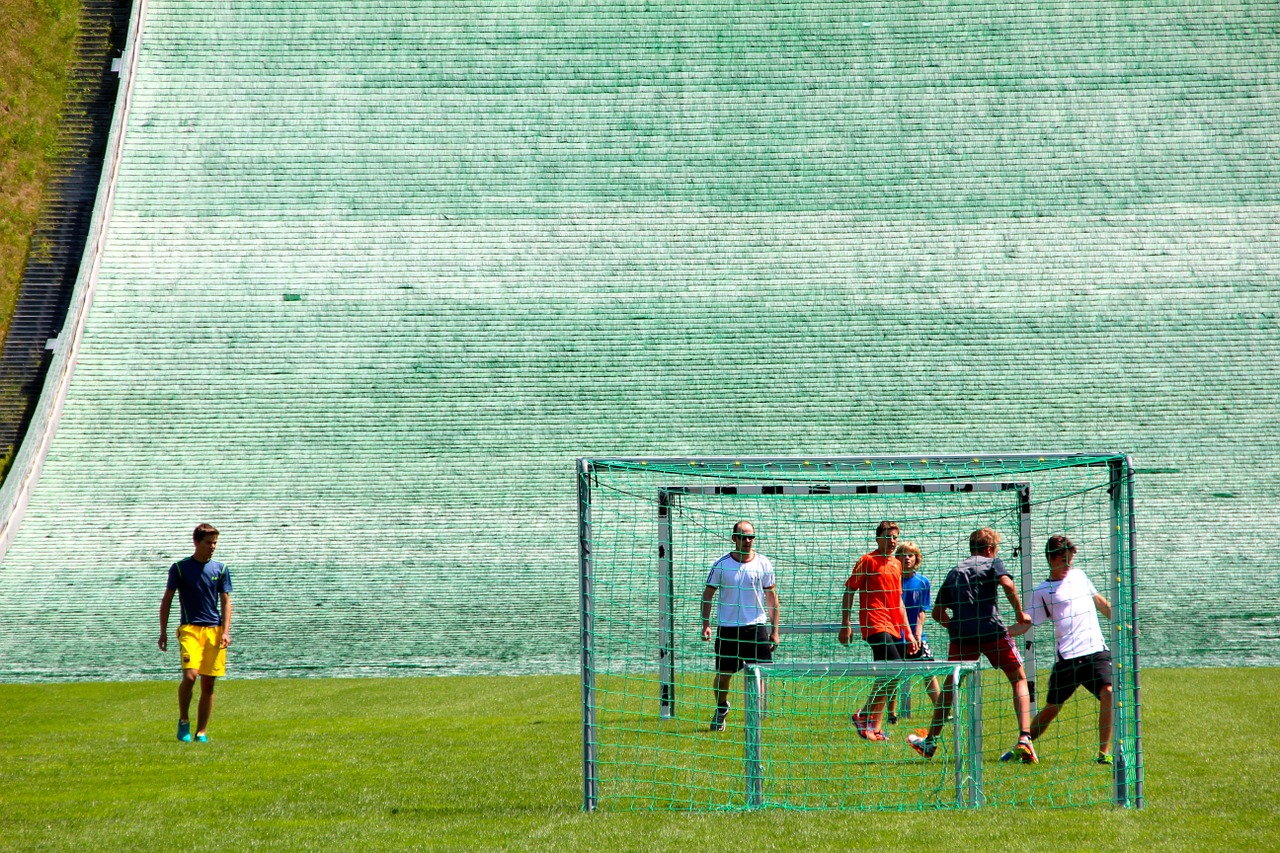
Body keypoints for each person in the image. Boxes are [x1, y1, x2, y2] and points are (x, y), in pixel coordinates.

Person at [907, 527, 1034, 762]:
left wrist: (954, 627)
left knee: (950, 687)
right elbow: (1007, 585)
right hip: (991, 630)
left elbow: (937, 613)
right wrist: (1020, 614)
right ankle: (1025, 738)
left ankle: (931, 742)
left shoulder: (955, 571)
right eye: (995, 549)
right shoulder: (993, 564)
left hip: (962, 636)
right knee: (1018, 678)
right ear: (989, 549)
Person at [1006, 534, 1115, 765]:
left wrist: (1122, 620)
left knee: (1109, 692)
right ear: (1051, 559)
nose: (1068, 564)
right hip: (1067, 659)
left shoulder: (1080, 576)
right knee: (1052, 708)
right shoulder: (1042, 591)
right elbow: (1026, 624)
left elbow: (1100, 602)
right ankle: (1022, 746)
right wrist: (1002, 633)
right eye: (1063, 559)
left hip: (1096, 651)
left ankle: (1103, 753)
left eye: (1070, 558)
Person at [838, 521, 918, 741]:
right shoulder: (867, 561)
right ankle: (863, 714)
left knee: (889, 675)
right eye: (888, 536)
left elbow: (898, 601)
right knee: (893, 669)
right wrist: (846, 623)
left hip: (892, 626)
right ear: (878, 538)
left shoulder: (897, 564)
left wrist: (908, 632)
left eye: (895, 537)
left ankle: (874, 727)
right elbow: (849, 590)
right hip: (874, 623)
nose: (892, 541)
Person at [701, 520, 780, 732]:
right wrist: (706, 624)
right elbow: (708, 594)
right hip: (728, 629)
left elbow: (771, 598)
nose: (747, 541)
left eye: (751, 537)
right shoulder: (721, 564)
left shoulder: (763, 563)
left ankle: (754, 721)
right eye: (743, 537)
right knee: (723, 676)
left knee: (760, 674)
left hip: (756, 628)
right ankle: (721, 708)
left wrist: (775, 630)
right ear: (733, 538)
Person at [159, 523, 233, 743]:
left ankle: (201, 732)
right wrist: (163, 632)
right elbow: (167, 600)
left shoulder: (220, 568)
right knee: (190, 676)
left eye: (215, 543)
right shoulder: (180, 568)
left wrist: (226, 631)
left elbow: (226, 601)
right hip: (190, 629)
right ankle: (183, 721)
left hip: (214, 630)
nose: (212, 547)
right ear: (196, 542)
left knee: (209, 683)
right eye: (208, 543)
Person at [885, 541, 943, 725]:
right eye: (903, 555)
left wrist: (918, 634)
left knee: (928, 671)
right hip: (895, 634)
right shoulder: (892, 580)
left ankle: (941, 711)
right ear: (897, 558)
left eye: (911, 555)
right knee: (892, 674)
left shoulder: (923, 582)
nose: (907, 558)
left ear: (917, 559)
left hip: (917, 637)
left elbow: (922, 611)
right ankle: (891, 714)